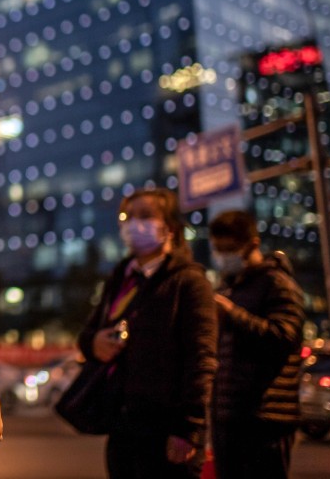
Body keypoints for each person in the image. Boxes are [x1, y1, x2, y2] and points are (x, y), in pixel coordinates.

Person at [76, 187, 217, 479]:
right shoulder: (121, 278)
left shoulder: (189, 282)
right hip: (123, 426)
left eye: (146, 215)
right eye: (128, 216)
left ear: (169, 227)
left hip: (167, 430)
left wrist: (189, 428)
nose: (134, 224)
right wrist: (94, 343)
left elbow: (201, 359)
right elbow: (88, 333)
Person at [208, 210, 305, 479]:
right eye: (217, 249)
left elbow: (284, 338)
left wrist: (231, 314)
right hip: (228, 418)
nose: (221, 256)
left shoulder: (278, 284)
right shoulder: (230, 287)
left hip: (266, 420)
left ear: (252, 244)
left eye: (228, 249)